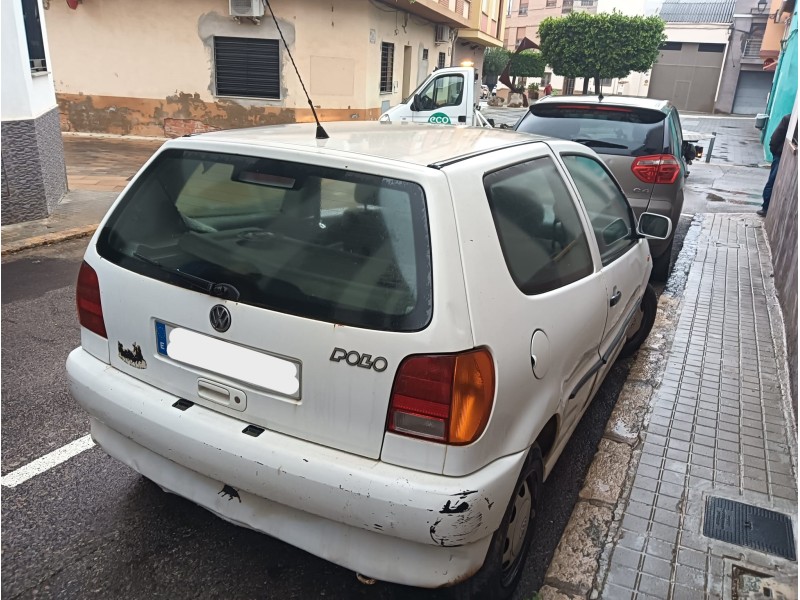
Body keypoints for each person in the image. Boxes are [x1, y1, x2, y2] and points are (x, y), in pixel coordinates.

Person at [758, 113, 791, 217]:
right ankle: (765, 207)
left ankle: (766, 208)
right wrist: (776, 152)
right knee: (773, 181)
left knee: (773, 181)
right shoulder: (789, 119)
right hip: (780, 154)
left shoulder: (789, 118)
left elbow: (775, 138)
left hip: (780, 154)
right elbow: (776, 138)